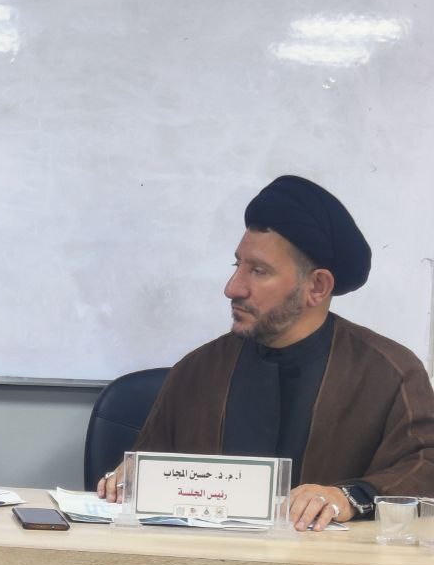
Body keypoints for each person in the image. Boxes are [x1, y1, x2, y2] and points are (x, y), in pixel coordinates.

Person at [98, 175, 434, 530]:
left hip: (328, 562)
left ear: (317, 286)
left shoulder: (389, 373)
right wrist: (132, 479)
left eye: (258, 271)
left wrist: (348, 497)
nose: (232, 288)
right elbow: (149, 466)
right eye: (237, 266)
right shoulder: (198, 370)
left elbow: (425, 465)